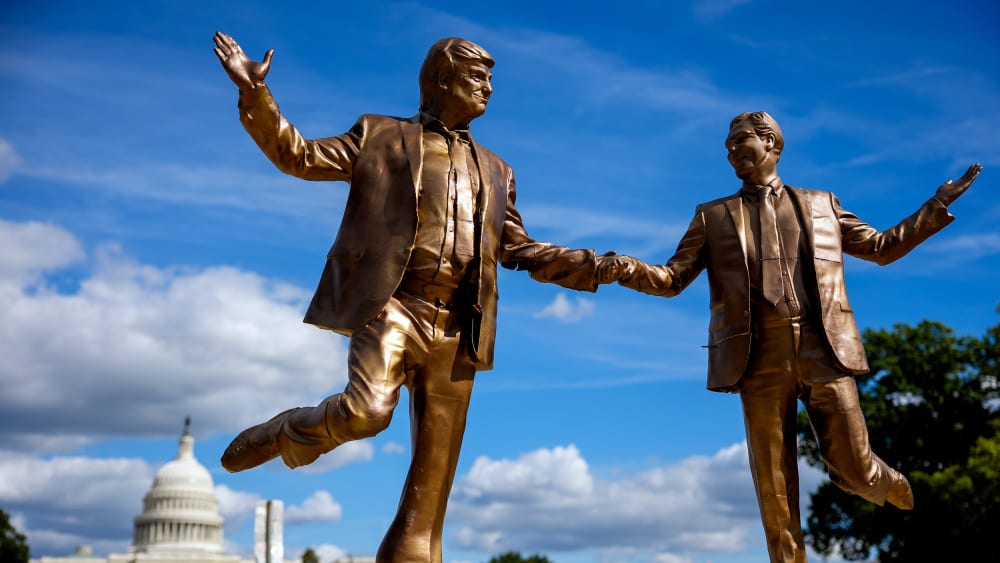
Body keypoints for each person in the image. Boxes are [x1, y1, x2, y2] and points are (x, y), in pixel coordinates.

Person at [212, 32, 624, 562]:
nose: (489, 89)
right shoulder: (379, 135)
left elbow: (518, 249)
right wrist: (256, 95)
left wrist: (596, 266)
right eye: (479, 78)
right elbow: (300, 156)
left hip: (459, 325)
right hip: (392, 307)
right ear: (442, 80)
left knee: (431, 488)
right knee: (367, 412)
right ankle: (285, 433)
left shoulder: (498, 170)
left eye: (491, 80)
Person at [601, 111, 981, 563]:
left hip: (824, 349)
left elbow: (882, 248)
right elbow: (671, 278)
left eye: (741, 141)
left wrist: (934, 209)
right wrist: (626, 268)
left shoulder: (821, 204)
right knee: (774, 490)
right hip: (756, 357)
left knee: (854, 471)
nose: (732, 151)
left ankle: (884, 481)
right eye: (727, 147)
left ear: (771, 144)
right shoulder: (713, 216)